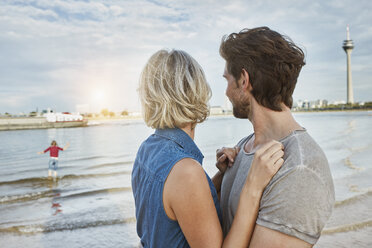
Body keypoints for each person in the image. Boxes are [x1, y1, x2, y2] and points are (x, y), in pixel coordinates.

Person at [132, 49, 285, 247]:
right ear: (194, 92)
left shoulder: (146, 150)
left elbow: (174, 210)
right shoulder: (186, 172)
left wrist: (221, 177)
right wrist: (253, 187)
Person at [218, 27, 335, 247]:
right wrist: (222, 176)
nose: (225, 92)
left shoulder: (300, 169)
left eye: (227, 80)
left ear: (244, 80)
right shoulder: (245, 146)